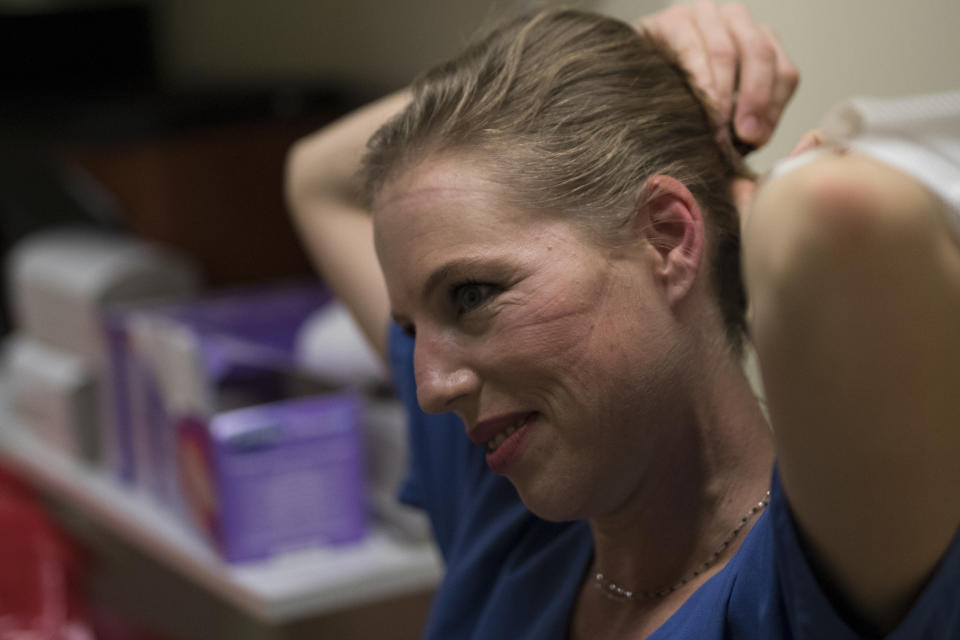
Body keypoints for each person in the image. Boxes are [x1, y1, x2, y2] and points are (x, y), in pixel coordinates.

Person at [286, 4, 960, 639]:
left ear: (668, 236)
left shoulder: (812, 570)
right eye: (411, 330)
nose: (432, 386)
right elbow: (314, 179)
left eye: (470, 295)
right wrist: (632, 53)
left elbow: (837, 211)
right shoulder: (507, 513)